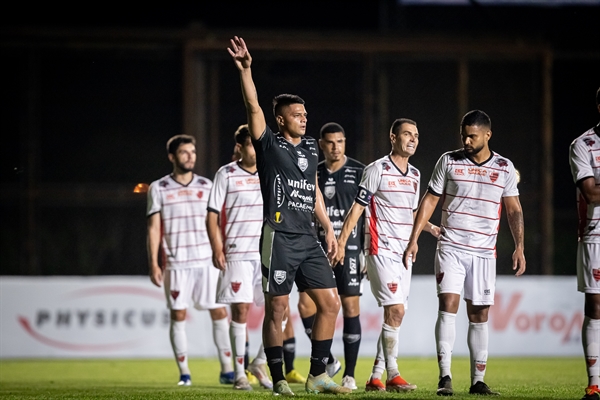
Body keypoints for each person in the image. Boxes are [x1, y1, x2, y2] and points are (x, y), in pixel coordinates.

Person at [228, 35, 351, 395]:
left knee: (330, 304)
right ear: (280, 119)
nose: (304, 118)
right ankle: (279, 378)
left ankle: (317, 376)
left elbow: (312, 188)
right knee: (278, 309)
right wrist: (247, 70)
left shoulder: (312, 147)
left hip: (308, 238)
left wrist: (327, 227)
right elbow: (252, 106)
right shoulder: (268, 143)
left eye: (305, 114)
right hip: (278, 236)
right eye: (297, 115)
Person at [404, 110, 526, 396]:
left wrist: (519, 246)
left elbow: (514, 209)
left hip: (484, 251)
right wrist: (414, 239)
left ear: (487, 135)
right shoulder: (448, 160)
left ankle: (478, 381)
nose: (466, 140)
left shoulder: (505, 167)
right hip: (452, 246)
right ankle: (445, 377)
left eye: (472, 135)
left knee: (479, 313)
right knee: (448, 304)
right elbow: (430, 200)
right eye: (464, 135)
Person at [332, 118, 439, 393]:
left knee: (395, 317)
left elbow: (412, 213)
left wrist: (429, 229)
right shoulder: (376, 169)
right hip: (380, 250)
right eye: (407, 134)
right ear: (393, 137)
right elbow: (357, 209)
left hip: (405, 253)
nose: (413, 139)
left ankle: (375, 377)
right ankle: (393, 374)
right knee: (396, 310)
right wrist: (342, 242)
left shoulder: (415, 174)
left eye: (416, 135)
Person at [146, 134, 234, 386]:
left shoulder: (207, 186)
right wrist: (154, 263)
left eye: (192, 152)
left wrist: (220, 252)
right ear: (172, 157)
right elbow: (153, 228)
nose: (190, 157)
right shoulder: (158, 188)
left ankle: (227, 369)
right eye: (184, 152)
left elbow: (217, 223)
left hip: (206, 260)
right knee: (178, 313)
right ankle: (184, 373)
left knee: (218, 311)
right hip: (177, 263)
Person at [297, 122, 365, 390]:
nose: (336, 147)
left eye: (340, 141)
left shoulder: (359, 171)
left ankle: (349, 374)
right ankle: (329, 360)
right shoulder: (314, 172)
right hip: (319, 248)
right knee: (305, 305)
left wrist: (366, 250)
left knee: (349, 307)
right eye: (330, 142)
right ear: (321, 145)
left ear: (345, 142)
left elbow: (368, 212)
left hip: (349, 248)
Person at [206, 124, 272, 391]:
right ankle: (239, 373)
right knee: (241, 310)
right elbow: (211, 214)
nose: (255, 150)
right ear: (240, 147)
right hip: (237, 252)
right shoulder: (226, 174)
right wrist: (216, 247)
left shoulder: (270, 171)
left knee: (278, 310)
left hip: (267, 251)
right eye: (250, 145)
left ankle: (260, 361)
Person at [569, 87, 600, 400]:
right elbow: (591, 193)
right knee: (595, 306)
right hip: (596, 234)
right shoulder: (584, 144)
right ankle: (594, 383)